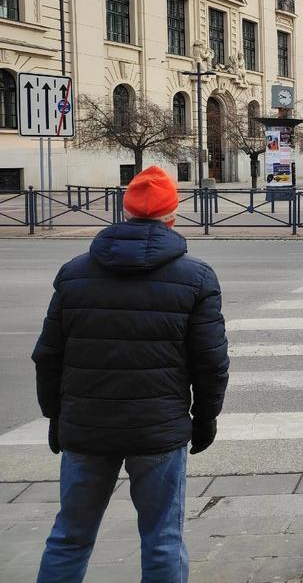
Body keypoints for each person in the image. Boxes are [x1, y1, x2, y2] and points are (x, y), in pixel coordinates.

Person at [32, 166, 230, 583]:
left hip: (85, 427)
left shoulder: (74, 273)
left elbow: (48, 356)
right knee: (162, 539)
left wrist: (55, 416)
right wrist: (206, 417)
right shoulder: (195, 277)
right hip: (158, 428)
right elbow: (210, 362)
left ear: (124, 213)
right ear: (173, 216)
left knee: (70, 536)